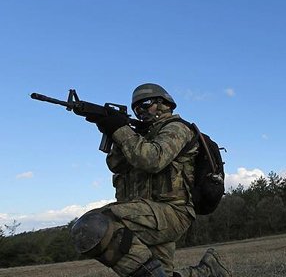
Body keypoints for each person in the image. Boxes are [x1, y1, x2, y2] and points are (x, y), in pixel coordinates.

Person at [69, 83, 231, 277]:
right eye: (136, 108)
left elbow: (152, 159)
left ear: (164, 103)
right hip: (148, 213)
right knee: (160, 273)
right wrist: (114, 128)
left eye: (145, 104)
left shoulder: (177, 129)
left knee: (94, 225)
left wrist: (120, 129)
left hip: (172, 212)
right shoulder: (140, 136)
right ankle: (209, 272)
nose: (140, 111)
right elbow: (116, 165)